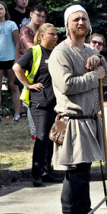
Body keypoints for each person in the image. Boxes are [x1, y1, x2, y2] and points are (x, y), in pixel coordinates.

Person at [48, 5, 107, 214]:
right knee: (79, 172)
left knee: (75, 170)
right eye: (76, 19)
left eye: (84, 19)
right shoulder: (60, 53)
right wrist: (92, 76)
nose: (81, 22)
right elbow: (66, 85)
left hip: (90, 119)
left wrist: (100, 60)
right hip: (73, 120)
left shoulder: (90, 50)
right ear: (67, 25)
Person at [13, 23, 65, 187]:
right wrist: (28, 84)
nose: (55, 36)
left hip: (55, 103)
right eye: (51, 34)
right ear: (42, 35)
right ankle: (36, 174)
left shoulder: (57, 52)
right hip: (39, 102)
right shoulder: (34, 51)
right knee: (42, 137)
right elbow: (17, 67)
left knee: (51, 138)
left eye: (56, 34)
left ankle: (46, 171)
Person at [0, 1, 23, 122]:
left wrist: (16, 60)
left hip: (11, 59)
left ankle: (17, 113)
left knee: (13, 86)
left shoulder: (11, 25)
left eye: (1, 9)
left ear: (5, 10)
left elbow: (17, 42)